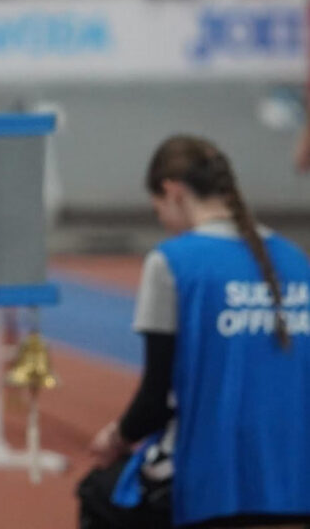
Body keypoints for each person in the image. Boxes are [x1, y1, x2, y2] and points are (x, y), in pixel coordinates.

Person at [81, 135, 310, 528]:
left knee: (97, 493)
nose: (162, 222)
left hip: (213, 488)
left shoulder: (173, 262)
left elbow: (155, 398)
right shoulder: (298, 261)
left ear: (173, 192)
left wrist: (115, 438)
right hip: (296, 483)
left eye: (158, 209)